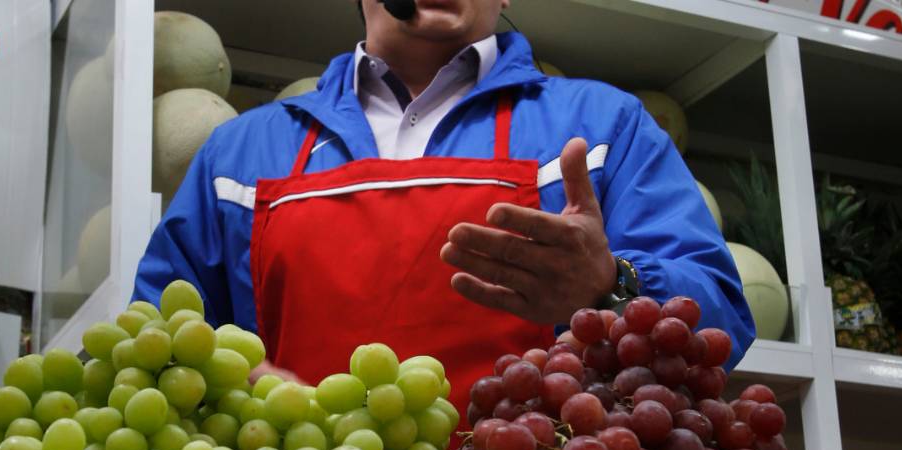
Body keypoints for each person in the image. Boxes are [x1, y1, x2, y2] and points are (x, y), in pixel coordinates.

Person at [133, 0, 755, 422]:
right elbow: (153, 345)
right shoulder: (238, 155)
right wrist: (229, 382)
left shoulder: (603, 125)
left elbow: (721, 318)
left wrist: (610, 287)